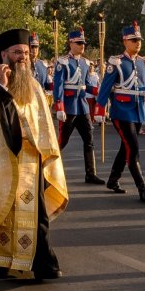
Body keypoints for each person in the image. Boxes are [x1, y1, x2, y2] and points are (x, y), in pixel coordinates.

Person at [0, 28, 68, 281]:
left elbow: (41, 123)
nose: (23, 57)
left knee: (36, 216)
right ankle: (1, 263)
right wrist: (0, 88)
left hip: (30, 161)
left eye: (25, 52)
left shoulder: (32, 84)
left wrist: (45, 154)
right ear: (4, 55)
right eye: (16, 52)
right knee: (0, 211)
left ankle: (45, 265)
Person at [96, 22, 145, 202]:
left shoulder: (144, 62)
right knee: (133, 147)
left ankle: (113, 180)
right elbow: (105, 88)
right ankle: (142, 188)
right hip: (121, 111)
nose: (138, 43)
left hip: (138, 110)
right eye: (133, 40)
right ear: (125, 41)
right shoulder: (117, 62)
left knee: (126, 147)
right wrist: (100, 109)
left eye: (139, 40)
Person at [52, 29, 104, 184]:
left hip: (82, 106)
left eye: (83, 43)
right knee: (62, 142)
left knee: (89, 139)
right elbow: (58, 86)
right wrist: (59, 106)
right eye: (79, 43)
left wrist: (97, 90)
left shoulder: (85, 62)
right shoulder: (63, 62)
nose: (82, 46)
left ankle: (90, 173)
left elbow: (86, 85)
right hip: (69, 107)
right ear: (71, 43)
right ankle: (48, 170)